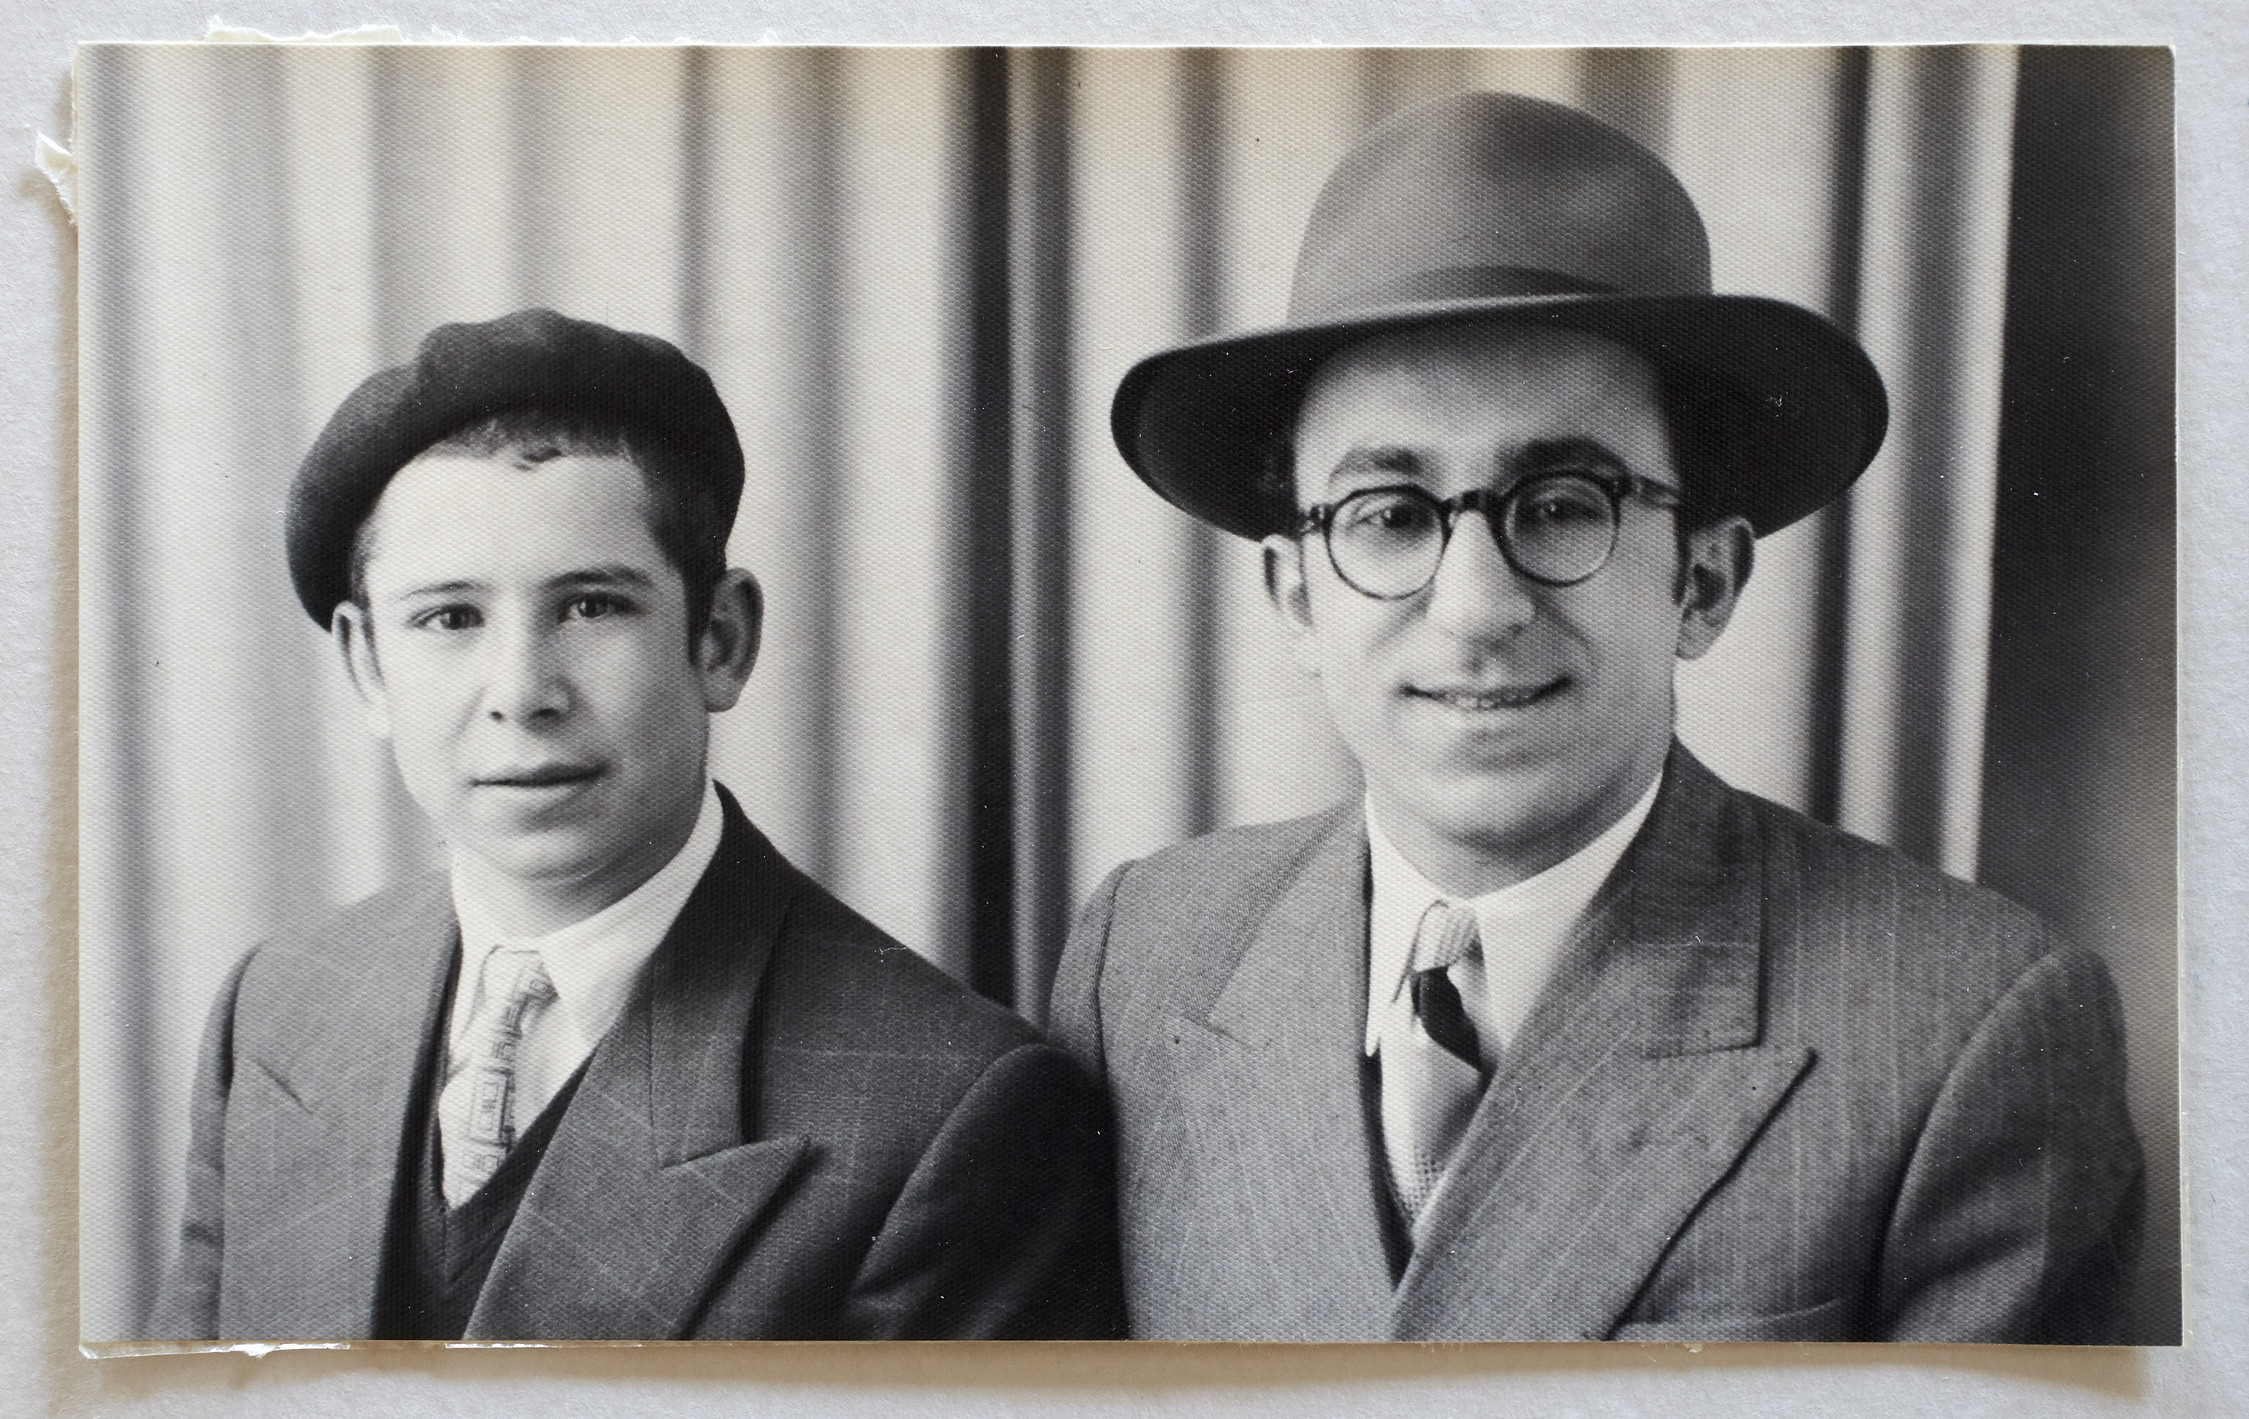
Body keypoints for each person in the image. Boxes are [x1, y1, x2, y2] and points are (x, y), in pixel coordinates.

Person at [1050, 92, 2144, 1342]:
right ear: (1296, 595)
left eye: (1563, 504)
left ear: (1700, 581)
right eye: (1390, 516)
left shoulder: (1967, 1030)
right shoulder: (1144, 955)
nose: (1474, 609)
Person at [149, 309, 1122, 1341]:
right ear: (366, 665)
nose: (522, 693)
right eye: (449, 618)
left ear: (719, 639)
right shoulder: (279, 1006)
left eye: (590, 607)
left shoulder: (947, 1111)